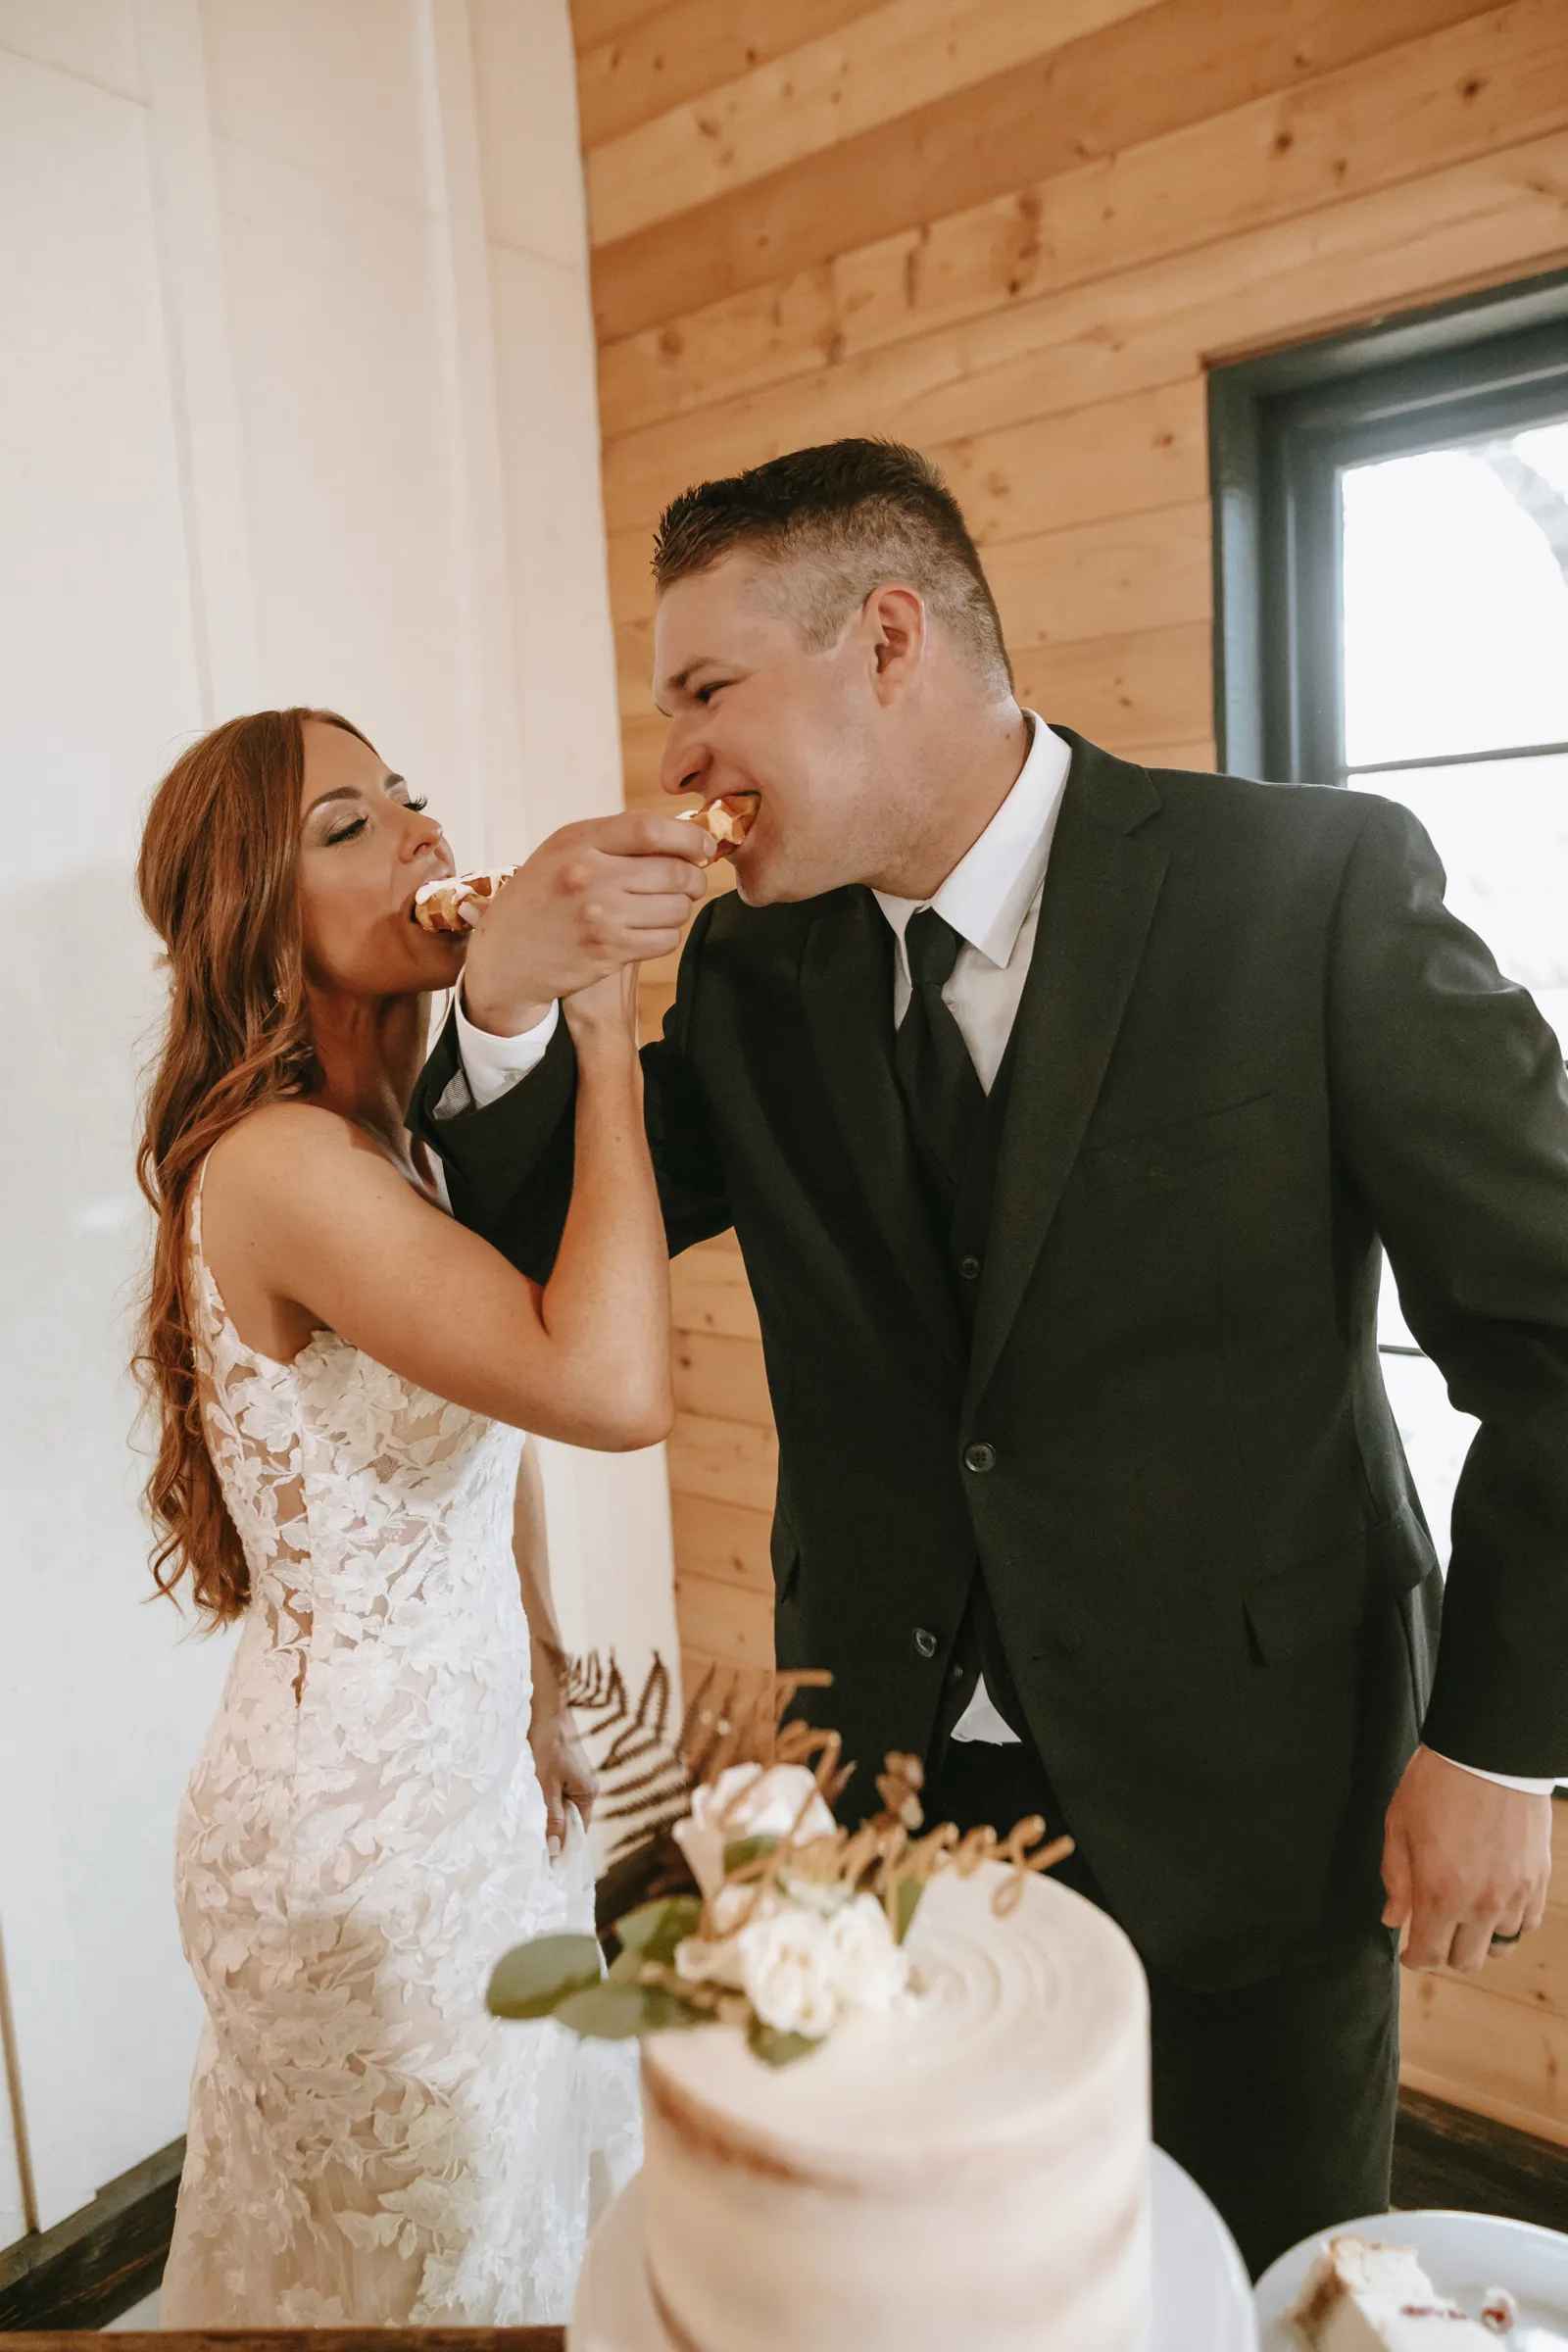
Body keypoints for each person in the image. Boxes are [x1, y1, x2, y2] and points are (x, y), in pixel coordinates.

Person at [408, 441, 1566, 2278]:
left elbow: (1555, 1332)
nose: (677, 758)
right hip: (890, 1797)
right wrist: (504, 1000)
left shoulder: (1308, 888)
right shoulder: (755, 976)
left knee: (1268, 2282)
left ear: (890, 640)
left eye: (707, 690)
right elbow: (548, 1231)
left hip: (1253, 1792)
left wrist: (1501, 1746)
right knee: (949, 2279)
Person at [135, 708, 664, 2325]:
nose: (424, 834)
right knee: (430, 2279)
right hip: (350, 1855)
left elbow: (493, 1430)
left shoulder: (402, 1147)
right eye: (348, 825)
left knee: (515, 2223)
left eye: (411, 799)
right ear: (254, 917)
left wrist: (544, 1675)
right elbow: (607, 1384)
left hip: (476, 1788)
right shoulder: (283, 1164)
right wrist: (601, 1038)